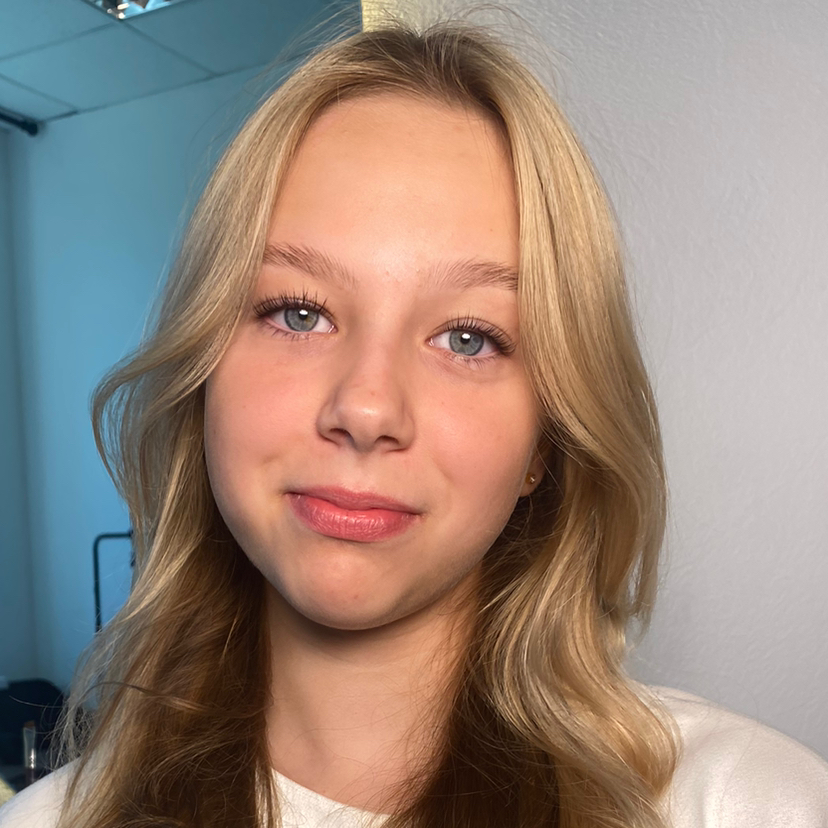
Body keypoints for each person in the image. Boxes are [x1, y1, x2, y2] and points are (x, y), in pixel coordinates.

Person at [1, 19, 826, 828]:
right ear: (204, 371)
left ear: (545, 441)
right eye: (298, 313)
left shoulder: (751, 805)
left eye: (469, 338)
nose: (366, 410)